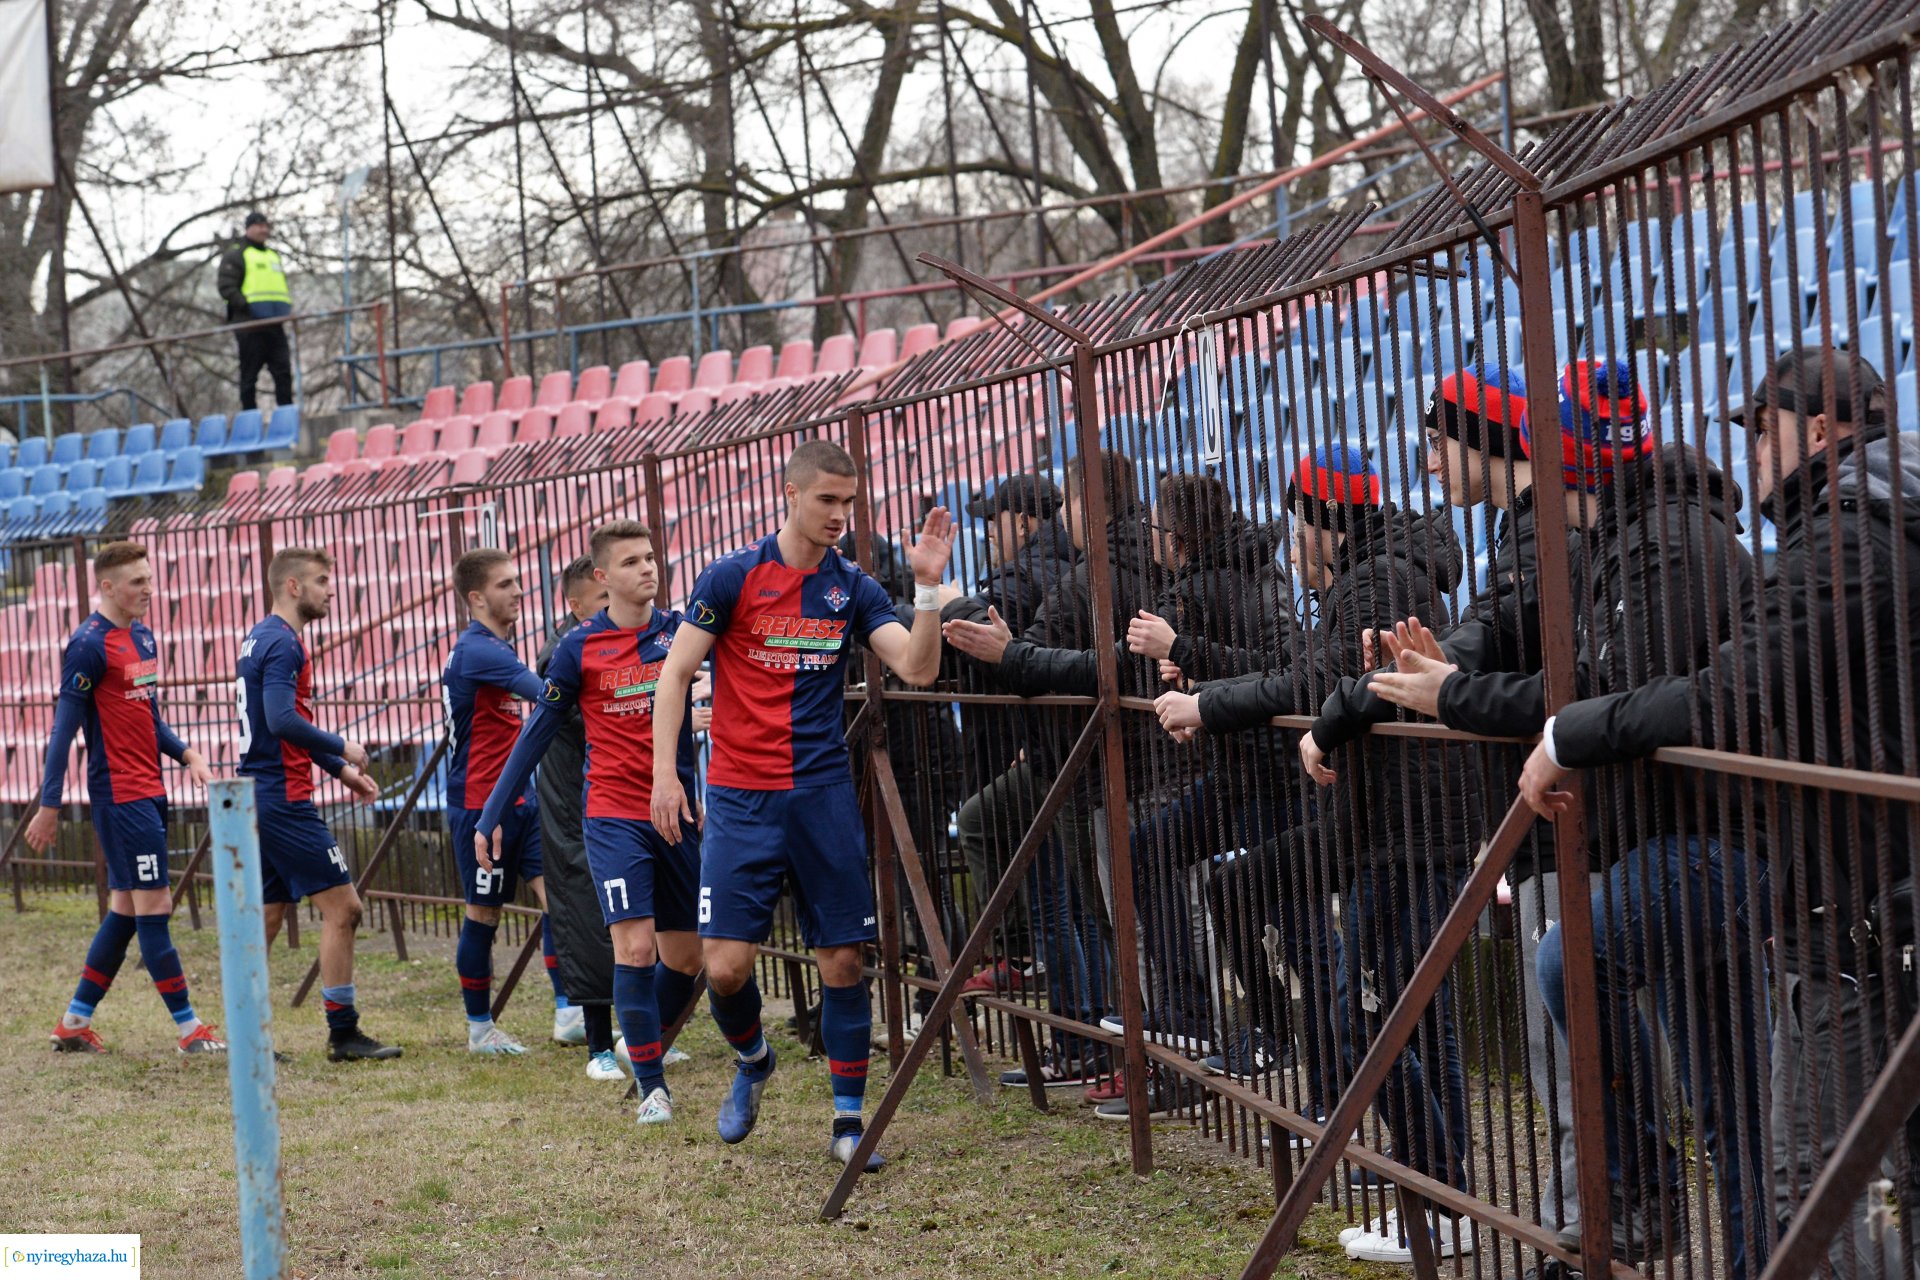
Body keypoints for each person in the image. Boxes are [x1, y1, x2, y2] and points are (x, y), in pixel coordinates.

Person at [1520, 348, 1920, 1278]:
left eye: (1765, 430)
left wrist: (1571, 731)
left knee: (1808, 1187)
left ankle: (1638, 1188)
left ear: (1822, 431)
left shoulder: (1851, 533)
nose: (1752, 455)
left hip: (1857, 906)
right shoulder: (1868, 520)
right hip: (1863, 893)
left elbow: (1732, 688)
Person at [1154, 445, 1475, 1261]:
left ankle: (1435, 1200)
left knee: (1373, 1012)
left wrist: (1207, 702)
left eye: (1302, 517)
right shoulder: (1385, 571)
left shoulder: (1376, 582)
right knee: (1402, 1010)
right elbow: (1314, 673)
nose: (1295, 534)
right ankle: (1437, 1193)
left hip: (1402, 823)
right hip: (1394, 819)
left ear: (1324, 518)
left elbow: (1318, 680)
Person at [649, 439, 954, 1171]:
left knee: (843, 960)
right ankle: (754, 1061)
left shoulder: (855, 587)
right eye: (827, 501)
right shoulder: (731, 577)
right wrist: (667, 774)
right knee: (722, 968)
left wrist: (929, 592)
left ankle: (849, 1124)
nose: (840, 517)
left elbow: (914, 668)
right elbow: (675, 674)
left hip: (820, 797)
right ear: (790, 494)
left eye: (849, 503)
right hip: (739, 800)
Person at [940, 449, 1158, 1099]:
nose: (988, 531)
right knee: (1089, 902)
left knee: (1086, 906)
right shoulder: (1114, 565)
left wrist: (990, 635)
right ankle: (1095, 1035)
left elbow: (1053, 664)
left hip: (1078, 757)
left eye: (1067, 507)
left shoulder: (1085, 575)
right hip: (1068, 752)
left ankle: (1088, 1036)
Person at [479, 522, 705, 1126]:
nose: (648, 569)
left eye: (652, 557)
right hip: (611, 816)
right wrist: (492, 814)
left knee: (685, 958)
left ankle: (642, 1039)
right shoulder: (579, 649)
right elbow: (536, 734)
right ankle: (653, 1088)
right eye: (631, 562)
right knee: (632, 947)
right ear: (602, 578)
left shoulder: (683, 633)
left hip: (676, 815)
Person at [30, 541, 224, 1056]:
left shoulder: (143, 636)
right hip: (120, 797)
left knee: (124, 912)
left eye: (149, 578)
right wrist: (49, 806)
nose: (148, 589)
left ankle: (74, 1022)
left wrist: (187, 754)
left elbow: (148, 717)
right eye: (137, 581)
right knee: (155, 908)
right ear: (107, 586)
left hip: (151, 790)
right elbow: (62, 732)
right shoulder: (88, 645)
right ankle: (190, 1030)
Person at [238, 546, 396, 1061]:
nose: (331, 590)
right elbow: (283, 721)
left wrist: (341, 773)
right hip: (283, 799)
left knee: (267, 915)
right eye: (323, 581)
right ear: (293, 586)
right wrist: (342, 745)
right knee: (344, 908)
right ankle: (343, 1033)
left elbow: (278, 726)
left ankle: (247, 1039)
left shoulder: (259, 638)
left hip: (258, 793)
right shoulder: (284, 644)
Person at [942, 474, 1079, 999]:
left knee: (1055, 896)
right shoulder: (1063, 565)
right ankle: (1075, 1026)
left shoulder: (1022, 576)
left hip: (1024, 744)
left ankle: (1024, 961)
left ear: (1023, 521)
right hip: (1039, 743)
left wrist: (947, 603)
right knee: (1069, 894)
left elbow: (985, 638)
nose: (987, 532)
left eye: (992, 520)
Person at [441, 548, 572, 1056]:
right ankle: (480, 1029)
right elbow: (548, 696)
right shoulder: (479, 650)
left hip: (521, 800)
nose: (518, 591)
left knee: (558, 899)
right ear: (476, 598)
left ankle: (569, 1012)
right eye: (505, 584)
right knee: (484, 916)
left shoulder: (492, 647)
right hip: (481, 808)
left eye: (518, 582)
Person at [535, 556, 624, 1080]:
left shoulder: (634, 643)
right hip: (577, 805)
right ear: (576, 605)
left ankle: (643, 1034)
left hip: (621, 799)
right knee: (590, 919)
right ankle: (598, 1045)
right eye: (603, 604)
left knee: (640, 922)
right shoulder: (564, 655)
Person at [216, 211, 294, 413]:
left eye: (266, 225)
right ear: (248, 228)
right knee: (250, 376)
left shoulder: (272, 256)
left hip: (275, 324)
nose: (264, 230)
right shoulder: (236, 254)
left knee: (283, 372)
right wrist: (247, 307)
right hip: (250, 325)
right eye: (259, 225)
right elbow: (226, 288)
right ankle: (250, 421)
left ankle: (286, 417)